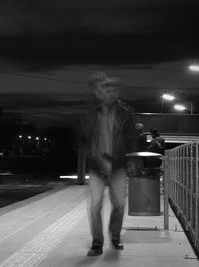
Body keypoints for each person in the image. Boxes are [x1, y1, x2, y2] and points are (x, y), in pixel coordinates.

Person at [80, 72, 136, 256]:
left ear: (117, 92)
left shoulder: (126, 114)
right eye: (106, 90)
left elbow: (131, 139)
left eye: (113, 90)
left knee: (119, 204)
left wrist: (131, 160)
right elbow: (82, 139)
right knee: (95, 206)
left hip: (118, 164)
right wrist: (94, 157)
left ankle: (115, 237)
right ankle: (97, 243)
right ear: (100, 92)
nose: (110, 94)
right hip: (97, 165)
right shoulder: (90, 114)